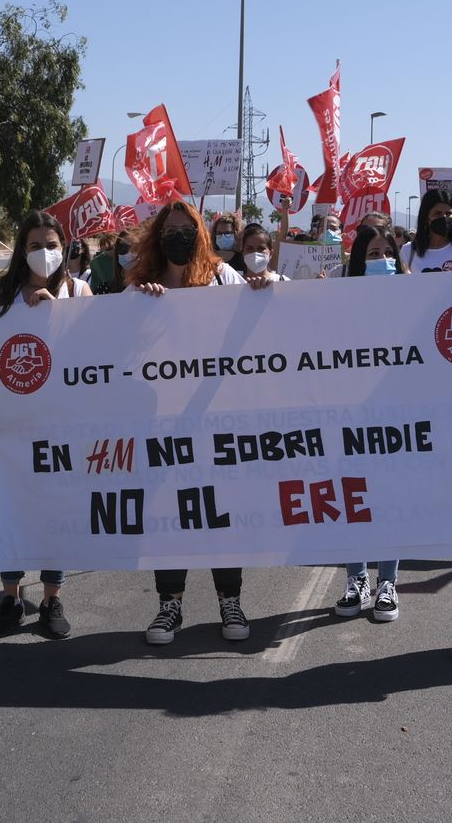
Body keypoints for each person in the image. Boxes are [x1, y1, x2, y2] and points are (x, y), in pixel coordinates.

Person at [126, 200, 262, 645]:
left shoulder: (223, 277)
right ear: (158, 236)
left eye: (189, 229)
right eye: (172, 230)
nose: (180, 236)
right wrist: (141, 314)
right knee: (170, 511)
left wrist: (259, 288)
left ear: (201, 234)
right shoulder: (141, 287)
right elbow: (119, 350)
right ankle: (170, 605)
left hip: (215, 415)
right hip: (161, 420)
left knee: (220, 509)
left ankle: (230, 600)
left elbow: (253, 323)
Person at [0, 210, 90, 639]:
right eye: (35, 245)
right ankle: (10, 596)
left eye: (52, 245)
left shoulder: (78, 289)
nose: (45, 253)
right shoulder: (2, 294)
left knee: (54, 509)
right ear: (22, 249)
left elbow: (94, 354)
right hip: (10, 428)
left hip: (62, 427)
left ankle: (52, 599)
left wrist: (58, 313)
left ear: (66, 248)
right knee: (12, 508)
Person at [331, 223, 409, 622]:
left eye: (387, 253)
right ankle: (356, 579)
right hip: (349, 412)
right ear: (359, 259)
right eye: (372, 254)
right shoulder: (339, 298)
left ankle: (387, 582)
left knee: (390, 497)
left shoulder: (413, 296)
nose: (381, 260)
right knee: (353, 497)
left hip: (394, 412)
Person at [406, 188, 452, 273]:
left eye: (448, 214)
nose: (444, 217)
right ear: (426, 217)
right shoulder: (408, 251)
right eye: (437, 213)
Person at [89, 228, 138, 294]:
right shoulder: (104, 290)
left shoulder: (150, 291)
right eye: (123, 247)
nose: (129, 252)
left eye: (135, 248)